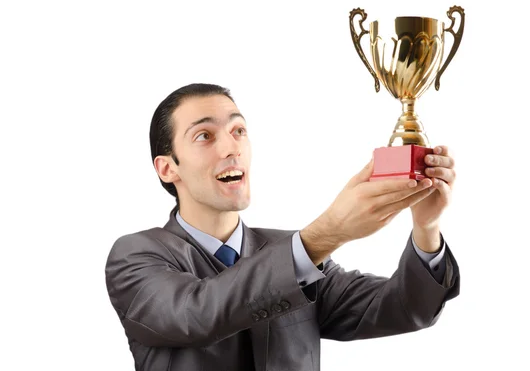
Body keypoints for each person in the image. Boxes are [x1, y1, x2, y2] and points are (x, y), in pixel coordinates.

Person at [105, 83, 460, 371]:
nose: (232, 147)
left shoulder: (295, 252)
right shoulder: (135, 257)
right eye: (205, 136)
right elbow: (195, 315)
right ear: (168, 168)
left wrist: (426, 227)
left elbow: (405, 308)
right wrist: (327, 233)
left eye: (238, 130)